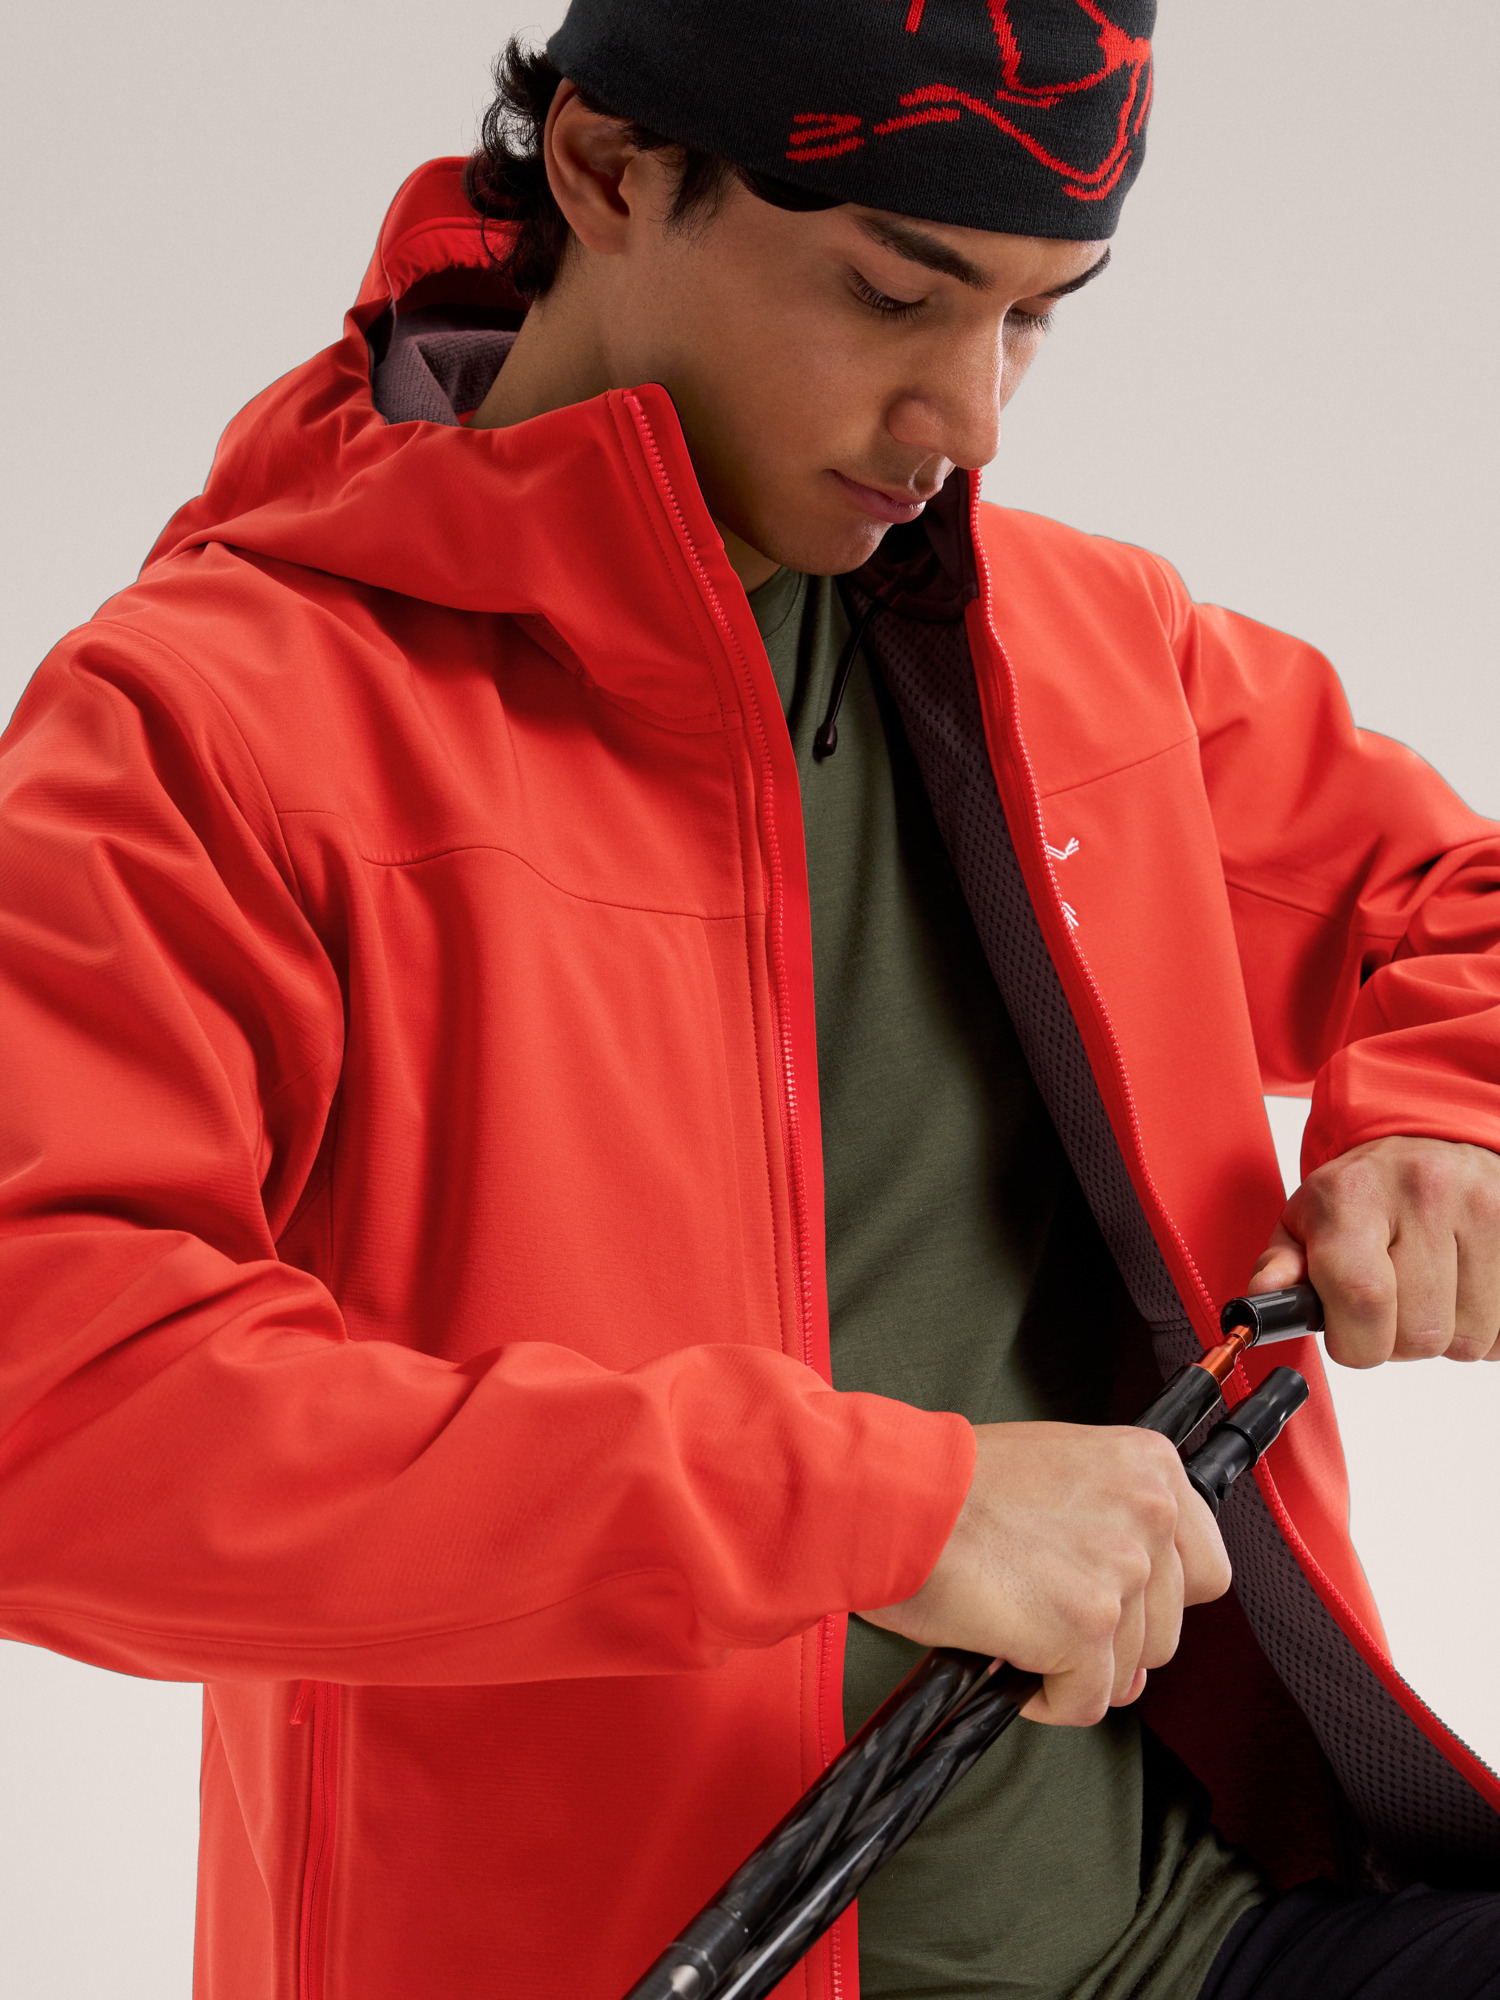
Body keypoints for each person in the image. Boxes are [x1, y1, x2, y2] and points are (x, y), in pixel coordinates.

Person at [1, 2, 1498, 1996]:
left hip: (1216, 1931)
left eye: (1035, 318)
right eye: (896, 292)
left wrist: (1450, 1112)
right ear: (609, 170)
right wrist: (883, 1510)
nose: (972, 416)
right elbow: (61, 1412)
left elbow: (1457, 897)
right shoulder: (207, 728)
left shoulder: (1076, 643)